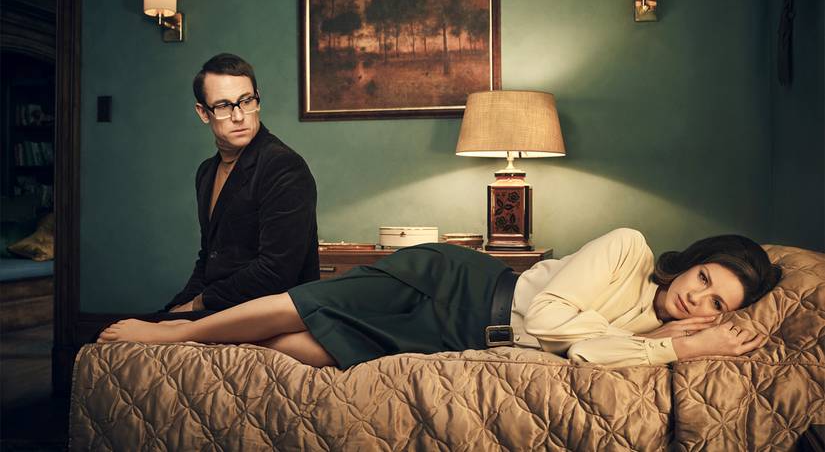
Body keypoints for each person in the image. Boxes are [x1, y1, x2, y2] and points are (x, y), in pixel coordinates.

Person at [97, 228, 781, 369]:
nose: (699, 304)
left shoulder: (657, 333)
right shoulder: (629, 249)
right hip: (461, 281)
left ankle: (204, 351)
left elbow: (581, 356)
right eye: (704, 280)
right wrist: (657, 345)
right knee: (308, 303)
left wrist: (664, 344)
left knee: (314, 350)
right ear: (691, 262)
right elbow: (547, 321)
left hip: (463, 335)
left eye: (718, 306)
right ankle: (173, 334)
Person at [162, 53, 320, 316]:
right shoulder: (206, 172)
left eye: (246, 101)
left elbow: (275, 272)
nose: (238, 116)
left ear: (257, 99)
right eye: (223, 106)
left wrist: (198, 305)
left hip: (270, 315)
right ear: (203, 112)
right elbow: (210, 259)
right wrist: (174, 310)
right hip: (220, 308)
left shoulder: (283, 166)